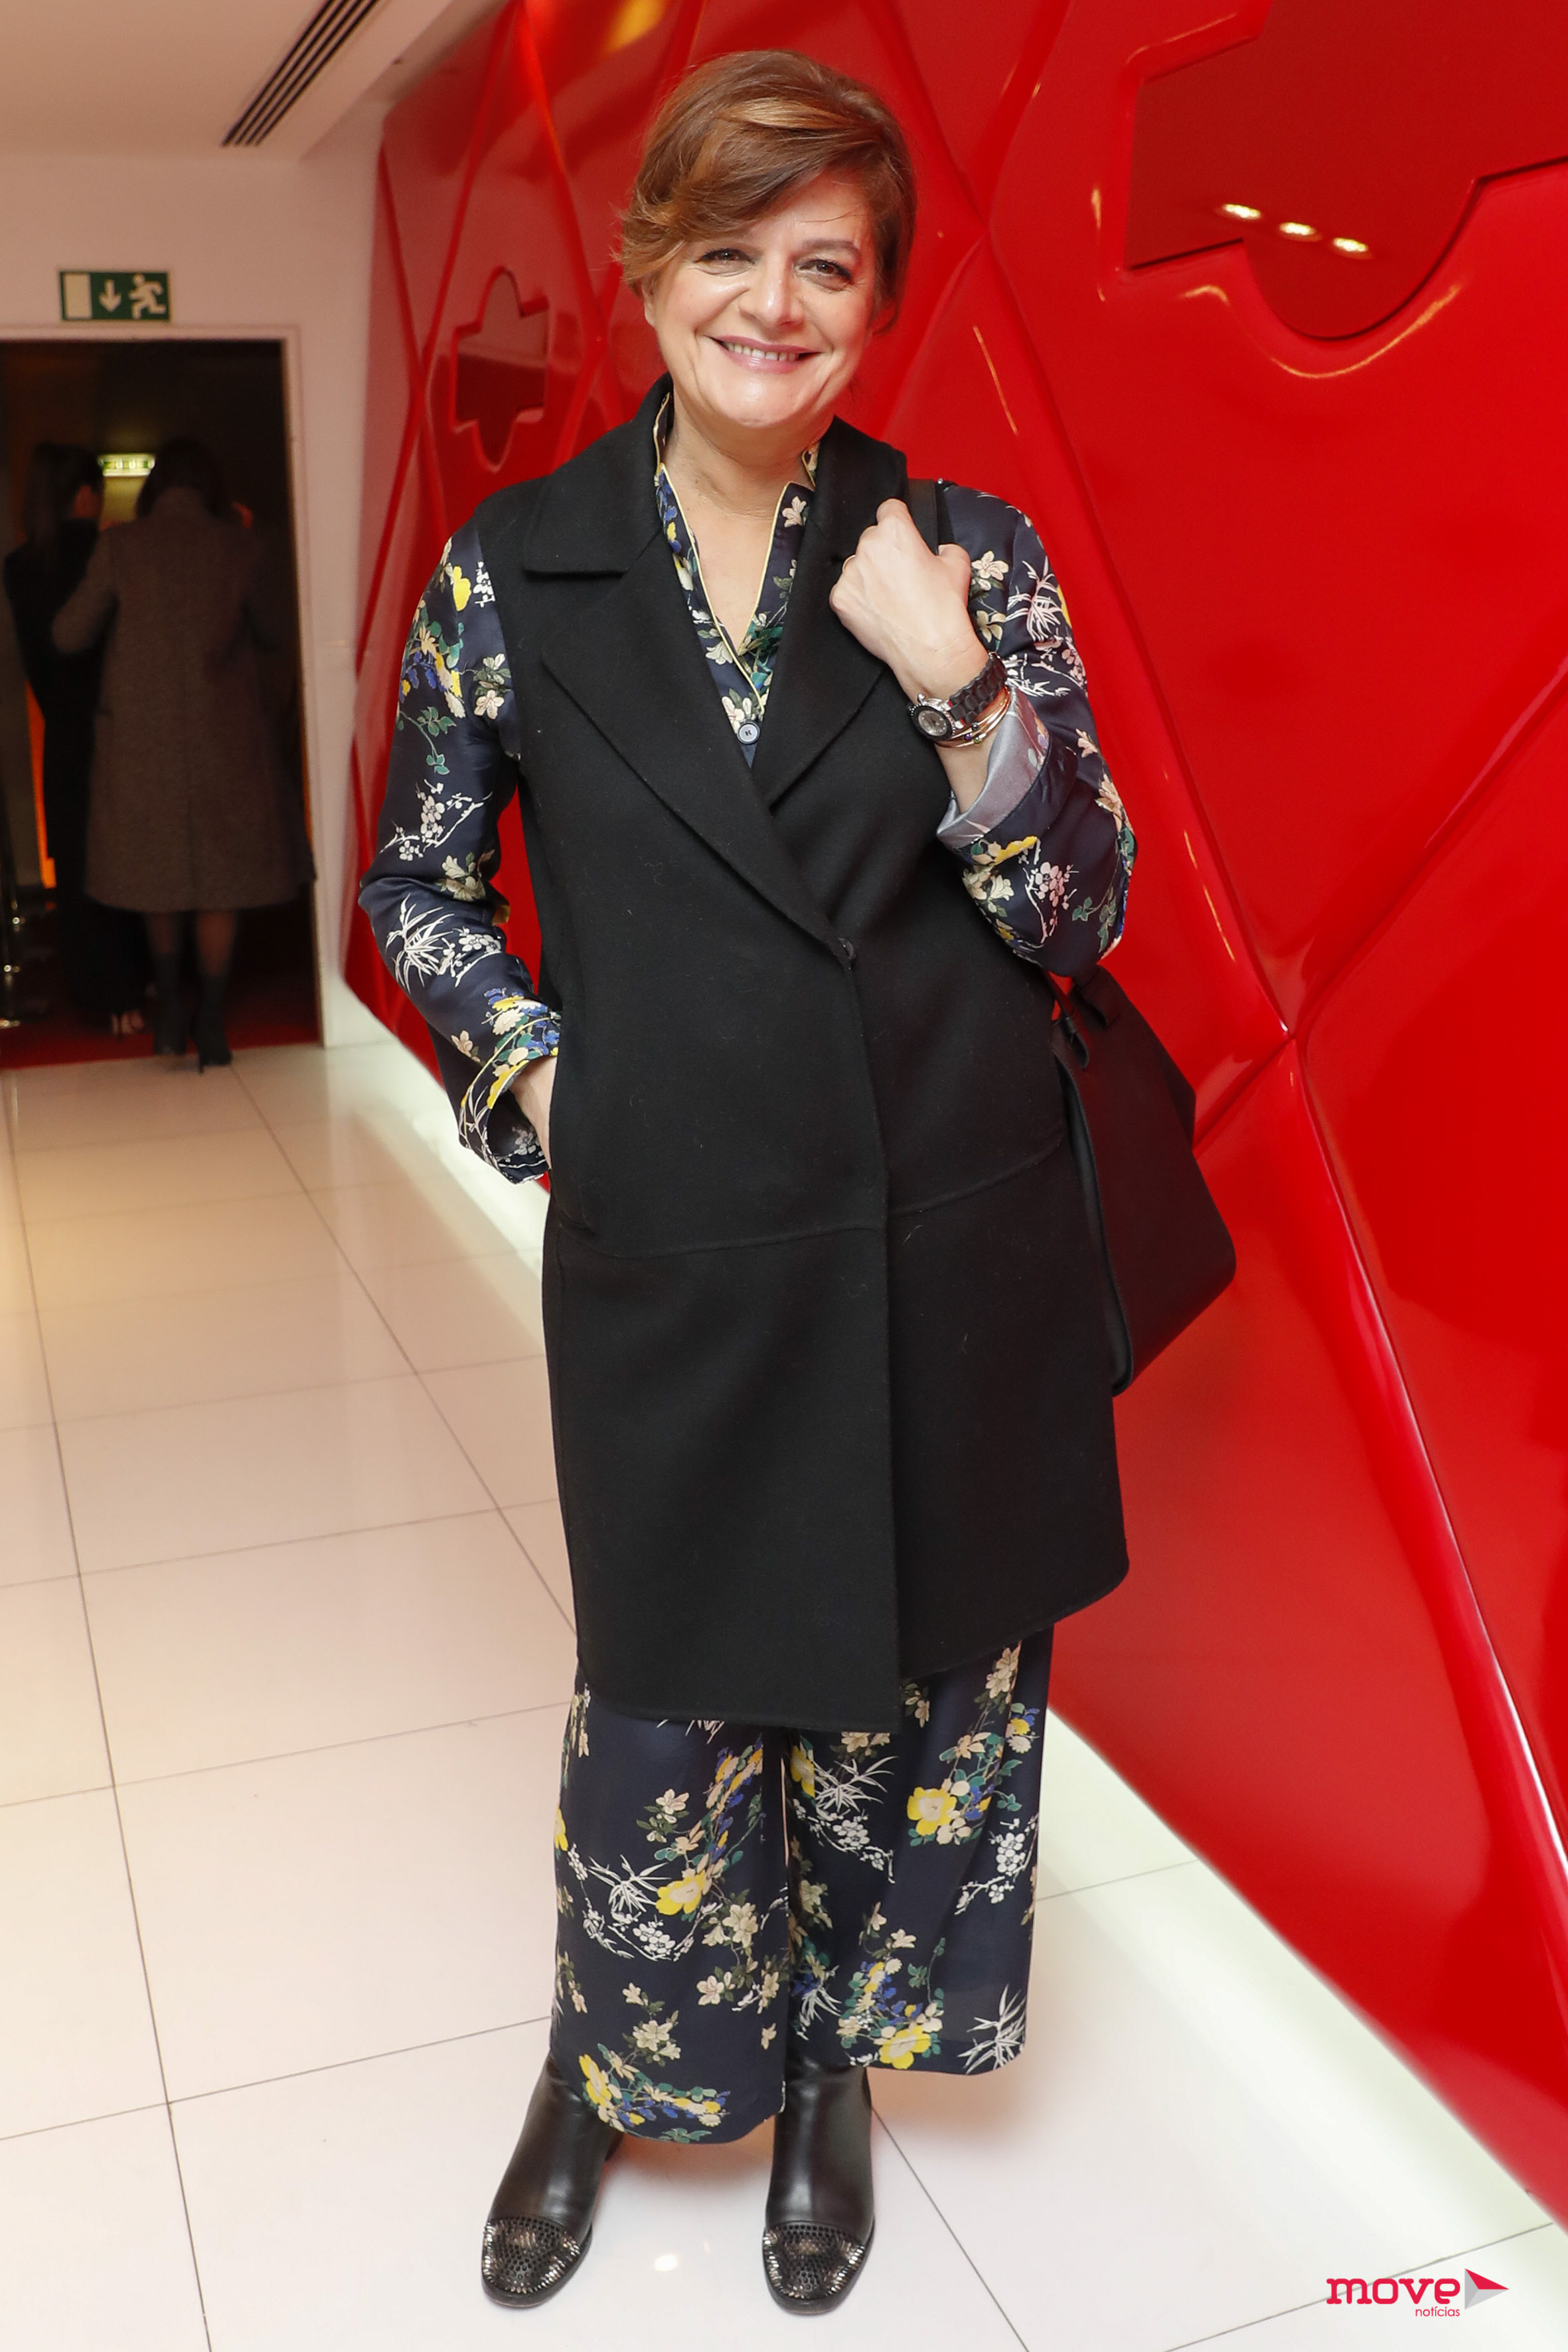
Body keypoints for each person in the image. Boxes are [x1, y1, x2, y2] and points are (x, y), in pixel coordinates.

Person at [362, 50, 1137, 2318]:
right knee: (669, 1712)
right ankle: (602, 2064)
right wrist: (550, 1088)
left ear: (876, 303)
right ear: (649, 272)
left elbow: (1080, 909)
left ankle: (830, 2075)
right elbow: (414, 891)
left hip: (939, 1245)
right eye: (730, 252)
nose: (774, 307)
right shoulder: (514, 571)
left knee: (906, 1701)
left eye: (827, 265)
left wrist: (956, 684)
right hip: (683, 1245)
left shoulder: (962, 552)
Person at [52, 435, 311, 1066]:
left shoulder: (121, 546)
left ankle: (169, 1006)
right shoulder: (238, 547)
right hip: (225, 740)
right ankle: (212, 1018)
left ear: (155, 487)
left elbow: (67, 634)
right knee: (221, 883)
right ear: (211, 487)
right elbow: (274, 632)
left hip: (141, 745)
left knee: (158, 878)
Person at [3, 443, 144, 1034]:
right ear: (87, 495)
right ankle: (136, 983)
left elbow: (42, 661)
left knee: (76, 861)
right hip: (119, 724)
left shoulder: (19, 567)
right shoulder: (110, 551)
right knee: (129, 857)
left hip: (62, 728)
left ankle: (97, 992)